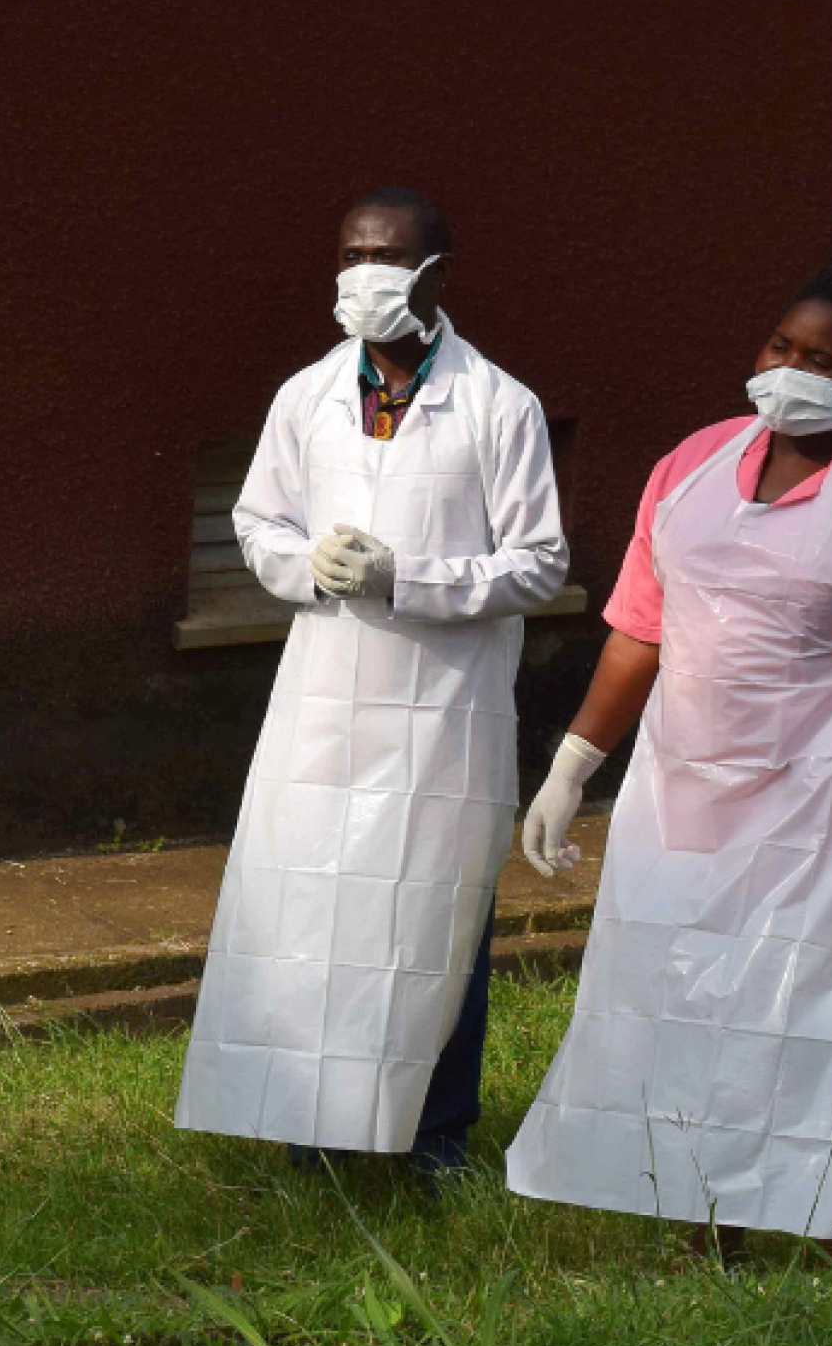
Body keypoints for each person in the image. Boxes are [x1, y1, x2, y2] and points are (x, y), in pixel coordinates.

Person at [504, 261, 832, 1248]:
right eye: (780, 347)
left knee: (822, 1007)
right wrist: (571, 766)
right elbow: (638, 631)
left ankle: (823, 1211)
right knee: (690, 1003)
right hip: (690, 796)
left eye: (821, 360)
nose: (789, 371)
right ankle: (706, 1213)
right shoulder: (689, 465)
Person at [174, 188, 569, 1175]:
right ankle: (313, 1125)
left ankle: (433, 1136)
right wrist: (303, 565)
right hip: (324, 699)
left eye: (385, 255)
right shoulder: (306, 395)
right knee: (312, 910)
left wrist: (410, 576)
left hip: (442, 705)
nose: (362, 273)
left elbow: (538, 562)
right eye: (349, 252)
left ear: (435, 269)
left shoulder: (496, 404)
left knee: (435, 915)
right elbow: (258, 520)